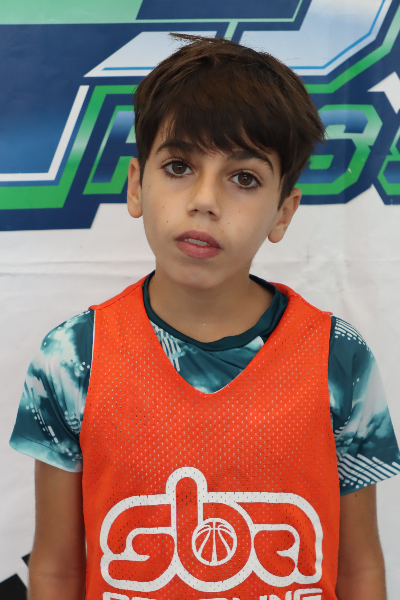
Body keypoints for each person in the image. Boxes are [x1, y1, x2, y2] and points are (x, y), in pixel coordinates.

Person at [9, 35, 400, 600]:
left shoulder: (339, 358)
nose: (205, 199)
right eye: (179, 166)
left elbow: (359, 569)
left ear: (283, 212)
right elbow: (56, 570)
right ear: (136, 185)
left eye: (244, 178)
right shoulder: (73, 359)